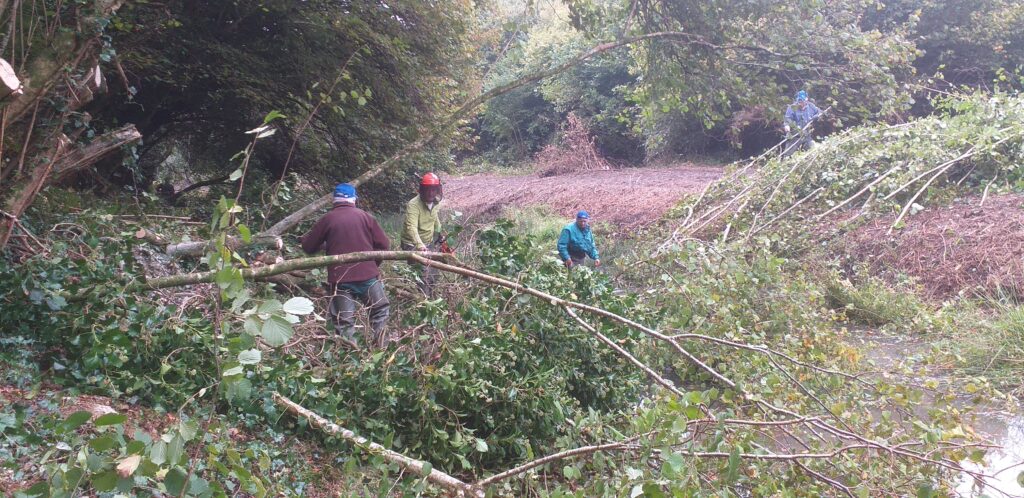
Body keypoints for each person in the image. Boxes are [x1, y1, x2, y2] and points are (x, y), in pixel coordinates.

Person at [301, 183, 391, 349]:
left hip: (340, 281)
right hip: (368, 279)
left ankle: (350, 361)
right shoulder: (366, 217)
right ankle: (382, 352)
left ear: (334, 201)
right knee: (379, 311)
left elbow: (308, 247)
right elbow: (384, 245)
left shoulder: (327, 219)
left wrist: (326, 245)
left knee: (344, 322)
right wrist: (372, 264)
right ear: (354, 200)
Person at [401, 172, 444, 297]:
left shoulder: (436, 203)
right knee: (423, 274)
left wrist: (440, 233)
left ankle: (432, 298)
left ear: (437, 190)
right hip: (412, 243)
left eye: (433, 190)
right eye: (428, 190)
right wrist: (419, 245)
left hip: (428, 241)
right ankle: (423, 301)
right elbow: (411, 227)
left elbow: (435, 219)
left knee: (434, 272)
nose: (431, 193)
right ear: (422, 190)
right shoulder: (413, 205)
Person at [783, 90, 822, 156]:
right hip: (795, 136)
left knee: (813, 152)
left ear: (806, 100)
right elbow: (787, 118)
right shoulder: (792, 107)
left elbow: (819, 112)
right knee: (787, 155)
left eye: (802, 101)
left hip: (807, 135)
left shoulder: (811, 106)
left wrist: (816, 117)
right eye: (799, 101)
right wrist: (787, 126)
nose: (800, 103)